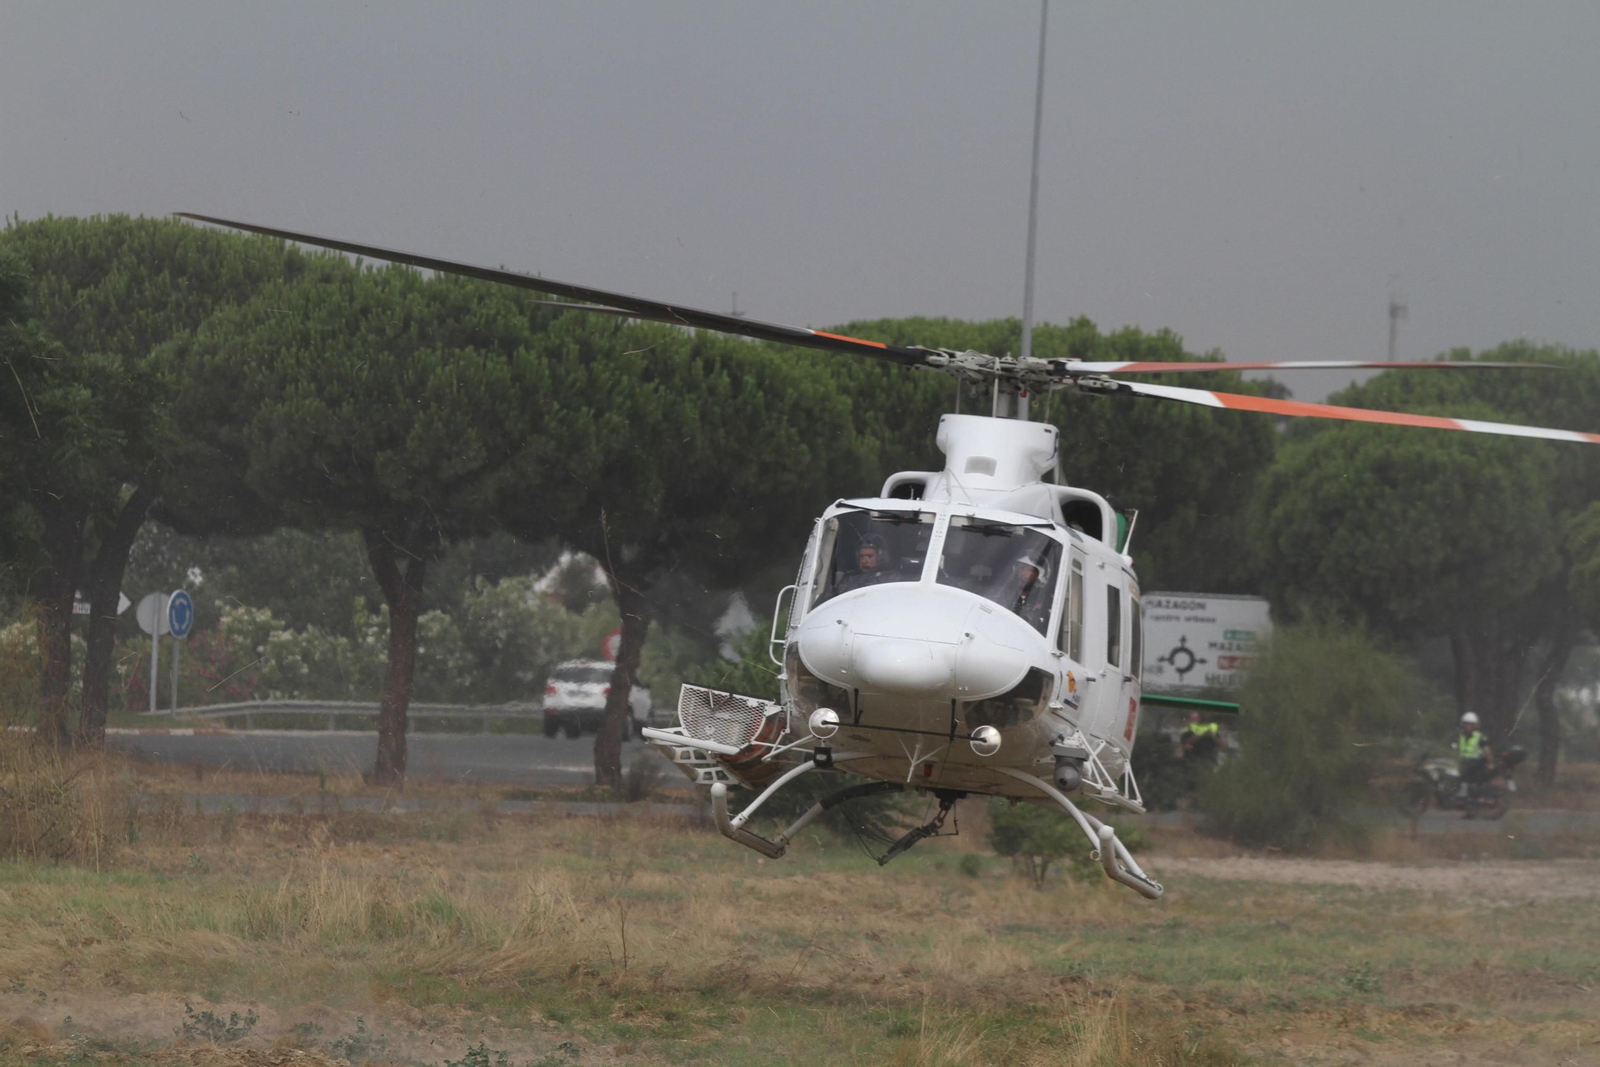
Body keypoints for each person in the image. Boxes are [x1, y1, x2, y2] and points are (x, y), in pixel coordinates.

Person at [1455, 711, 1495, 800]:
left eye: (1470, 724)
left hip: (1478, 761)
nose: (1468, 726)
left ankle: (1463, 792)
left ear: (1475, 725)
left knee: (1466, 770)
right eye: (1466, 724)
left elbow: (1487, 749)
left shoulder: (1479, 736)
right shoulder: (1460, 735)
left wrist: (1490, 762)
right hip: (1465, 761)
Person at [1011, 556, 1052, 632]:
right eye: (1022, 568)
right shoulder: (1003, 593)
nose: (1023, 573)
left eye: (1030, 570)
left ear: (1040, 577)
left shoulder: (1045, 604)